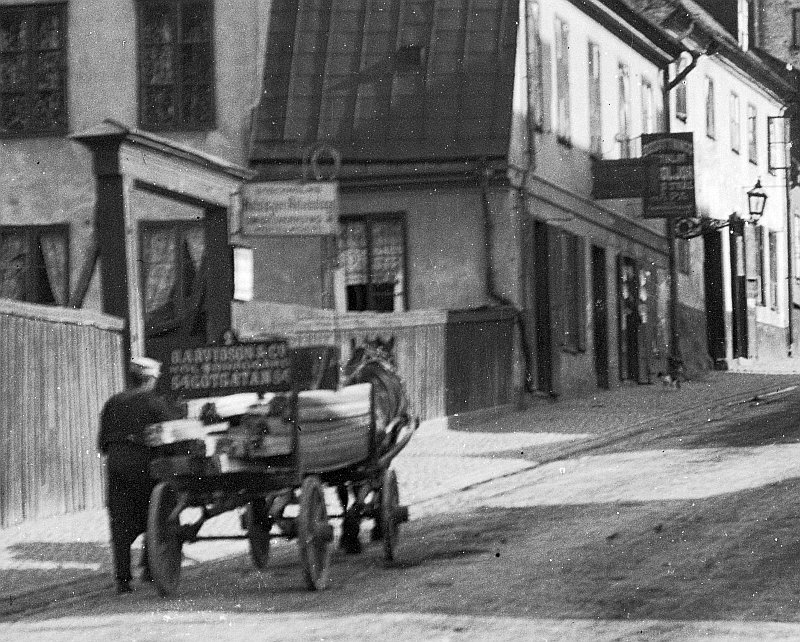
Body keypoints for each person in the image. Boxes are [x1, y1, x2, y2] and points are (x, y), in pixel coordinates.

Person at [97, 356, 181, 594]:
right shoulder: (155, 403)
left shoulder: (112, 402)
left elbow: (102, 443)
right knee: (157, 511)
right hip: (144, 462)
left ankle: (123, 580)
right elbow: (170, 437)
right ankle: (149, 568)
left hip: (116, 464)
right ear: (149, 380)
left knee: (119, 520)